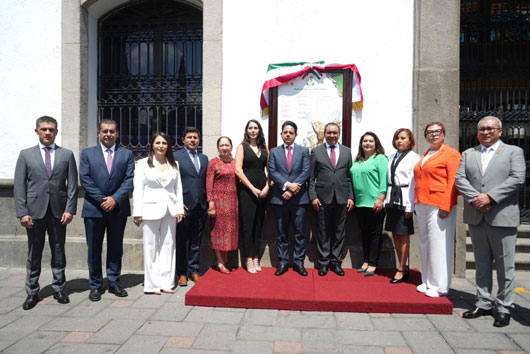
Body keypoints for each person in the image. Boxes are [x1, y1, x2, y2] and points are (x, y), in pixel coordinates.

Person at [456, 116, 525, 327]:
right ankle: (483, 302)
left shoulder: (514, 152)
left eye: (490, 129)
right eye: (482, 129)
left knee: (505, 266)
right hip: (477, 215)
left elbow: (517, 178)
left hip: (502, 215)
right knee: (482, 264)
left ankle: (504, 307)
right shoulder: (469, 154)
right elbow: (460, 179)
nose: (485, 132)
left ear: (500, 131)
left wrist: (490, 197)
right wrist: (477, 199)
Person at [14, 116, 78, 310]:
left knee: (59, 251)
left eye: (51, 129)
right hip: (34, 212)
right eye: (44, 129)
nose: (48, 132)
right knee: (34, 252)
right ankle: (32, 291)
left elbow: (73, 185)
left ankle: (59, 288)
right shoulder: (26, 155)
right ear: (37, 131)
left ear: (56, 132)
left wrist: (70, 209)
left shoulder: (66, 155)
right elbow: (19, 186)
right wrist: (22, 212)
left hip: (59, 212)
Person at [80, 119, 135, 301]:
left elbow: (129, 180)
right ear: (99, 133)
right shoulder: (88, 154)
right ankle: (95, 285)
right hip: (94, 209)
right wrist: (103, 199)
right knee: (93, 249)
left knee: (115, 248)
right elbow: (85, 179)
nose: (108, 134)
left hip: (118, 209)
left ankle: (114, 282)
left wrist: (115, 199)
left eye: (112, 131)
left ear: (117, 134)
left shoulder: (126, 154)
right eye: (105, 131)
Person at [413, 122, 461, 298]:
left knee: (439, 244)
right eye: (429, 132)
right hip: (422, 203)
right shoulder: (426, 154)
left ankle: (440, 285)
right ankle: (427, 281)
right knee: (425, 243)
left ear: (444, 134)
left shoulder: (451, 154)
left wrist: (446, 205)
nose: (433, 135)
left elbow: (453, 182)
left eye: (437, 131)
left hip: (439, 204)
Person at [133, 133, 184, 294]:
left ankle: (166, 282)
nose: (161, 145)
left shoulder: (174, 164)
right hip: (150, 209)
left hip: (170, 209)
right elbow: (138, 189)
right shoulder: (142, 164)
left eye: (164, 143)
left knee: (169, 245)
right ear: (152, 145)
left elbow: (178, 188)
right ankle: (152, 285)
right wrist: (137, 212)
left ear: (168, 146)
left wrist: (179, 209)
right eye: (158, 143)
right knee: (150, 247)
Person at [309, 122, 354, 276]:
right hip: (322, 199)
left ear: (339, 134)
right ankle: (323, 263)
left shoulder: (347, 152)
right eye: (329, 133)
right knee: (323, 232)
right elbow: (311, 178)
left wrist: (350, 197)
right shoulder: (316, 151)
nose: (332, 135)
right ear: (325, 134)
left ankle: (336, 262)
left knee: (339, 232)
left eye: (335, 133)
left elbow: (349, 177)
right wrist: (313, 197)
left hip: (341, 198)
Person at [268, 121, 311, 276]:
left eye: (291, 132)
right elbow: (272, 171)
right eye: (285, 132)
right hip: (280, 199)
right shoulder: (274, 151)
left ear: (295, 135)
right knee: (281, 233)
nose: (287, 134)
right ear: (281, 134)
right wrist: (287, 185)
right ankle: (283, 262)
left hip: (299, 199)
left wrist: (292, 190)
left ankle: (299, 262)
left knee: (300, 232)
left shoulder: (304, 151)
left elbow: (306, 171)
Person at [383, 128, 420, 283]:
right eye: (397, 138)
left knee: (403, 234)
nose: (399, 141)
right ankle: (401, 265)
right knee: (395, 234)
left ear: (410, 140)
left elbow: (414, 182)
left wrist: (410, 205)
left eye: (403, 138)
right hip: (392, 198)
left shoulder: (414, 158)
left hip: (405, 198)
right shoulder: (391, 157)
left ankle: (402, 268)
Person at [173, 127, 208, 286]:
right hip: (184, 206)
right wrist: (178, 202)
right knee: (181, 241)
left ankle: (194, 270)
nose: (193, 140)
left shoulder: (204, 158)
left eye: (195, 137)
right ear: (183, 140)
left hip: (201, 206)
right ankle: (181, 273)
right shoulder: (175, 157)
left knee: (196, 240)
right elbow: (171, 183)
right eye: (189, 137)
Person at [350, 132, 388, 277]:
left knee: (374, 234)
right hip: (359, 203)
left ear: (376, 143)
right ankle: (366, 260)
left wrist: (381, 198)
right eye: (365, 141)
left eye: (370, 141)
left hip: (374, 203)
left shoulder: (380, 159)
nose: (367, 143)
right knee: (364, 234)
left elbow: (384, 179)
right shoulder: (358, 159)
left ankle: (373, 263)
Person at [235, 119, 269, 273]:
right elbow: (238, 170)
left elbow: (271, 170)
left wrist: (267, 186)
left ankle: (256, 256)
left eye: (256, 128)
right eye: (250, 128)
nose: (253, 130)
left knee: (258, 224)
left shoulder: (265, 148)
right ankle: (248, 258)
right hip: (247, 191)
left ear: (259, 130)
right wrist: (252, 188)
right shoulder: (242, 147)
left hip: (263, 192)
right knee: (248, 225)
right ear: (247, 130)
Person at [206, 136, 239, 274]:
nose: (224, 148)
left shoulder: (235, 162)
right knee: (218, 233)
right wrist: (211, 204)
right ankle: (219, 262)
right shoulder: (213, 163)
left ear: (231, 147)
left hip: (232, 203)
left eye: (227, 145)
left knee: (229, 233)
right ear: (218, 147)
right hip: (218, 204)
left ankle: (225, 261)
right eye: (222, 145)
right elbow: (208, 184)